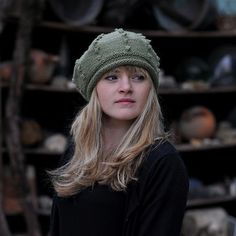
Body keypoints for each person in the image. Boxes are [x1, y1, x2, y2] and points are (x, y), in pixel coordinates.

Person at [49, 28, 189, 236]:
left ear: (150, 88)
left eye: (138, 77)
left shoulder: (163, 163)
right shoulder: (76, 151)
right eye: (112, 77)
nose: (126, 87)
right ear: (94, 88)